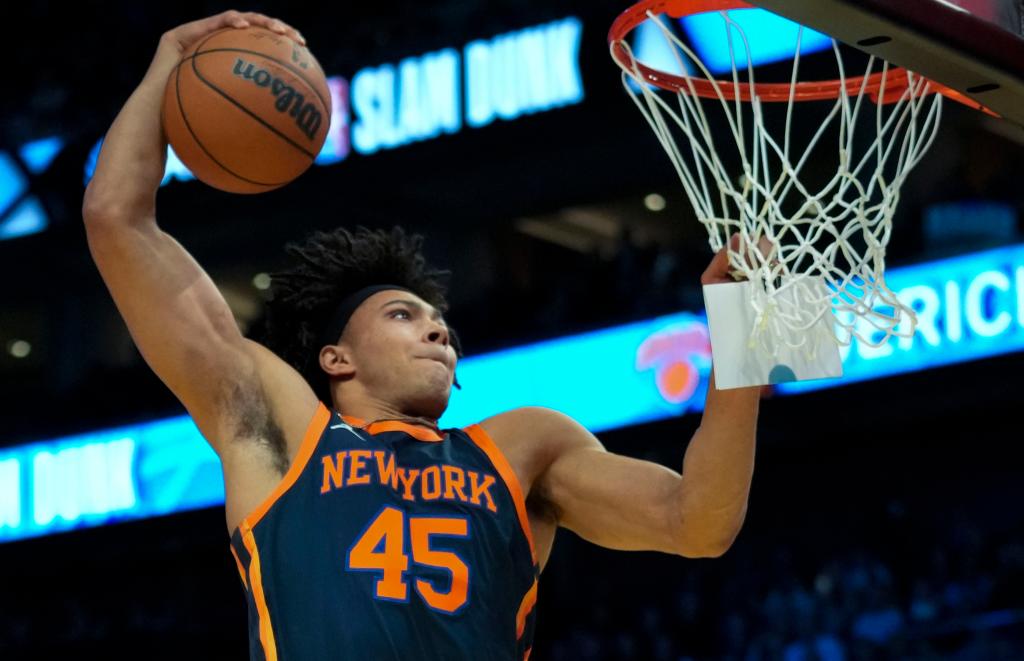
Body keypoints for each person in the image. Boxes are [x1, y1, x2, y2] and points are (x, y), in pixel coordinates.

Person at [82, 10, 760, 661]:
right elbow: (117, 219)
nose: (438, 326)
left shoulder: (523, 449)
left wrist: (742, 334)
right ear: (335, 358)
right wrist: (169, 62)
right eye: (403, 314)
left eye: (438, 319)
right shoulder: (281, 433)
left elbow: (697, 522)